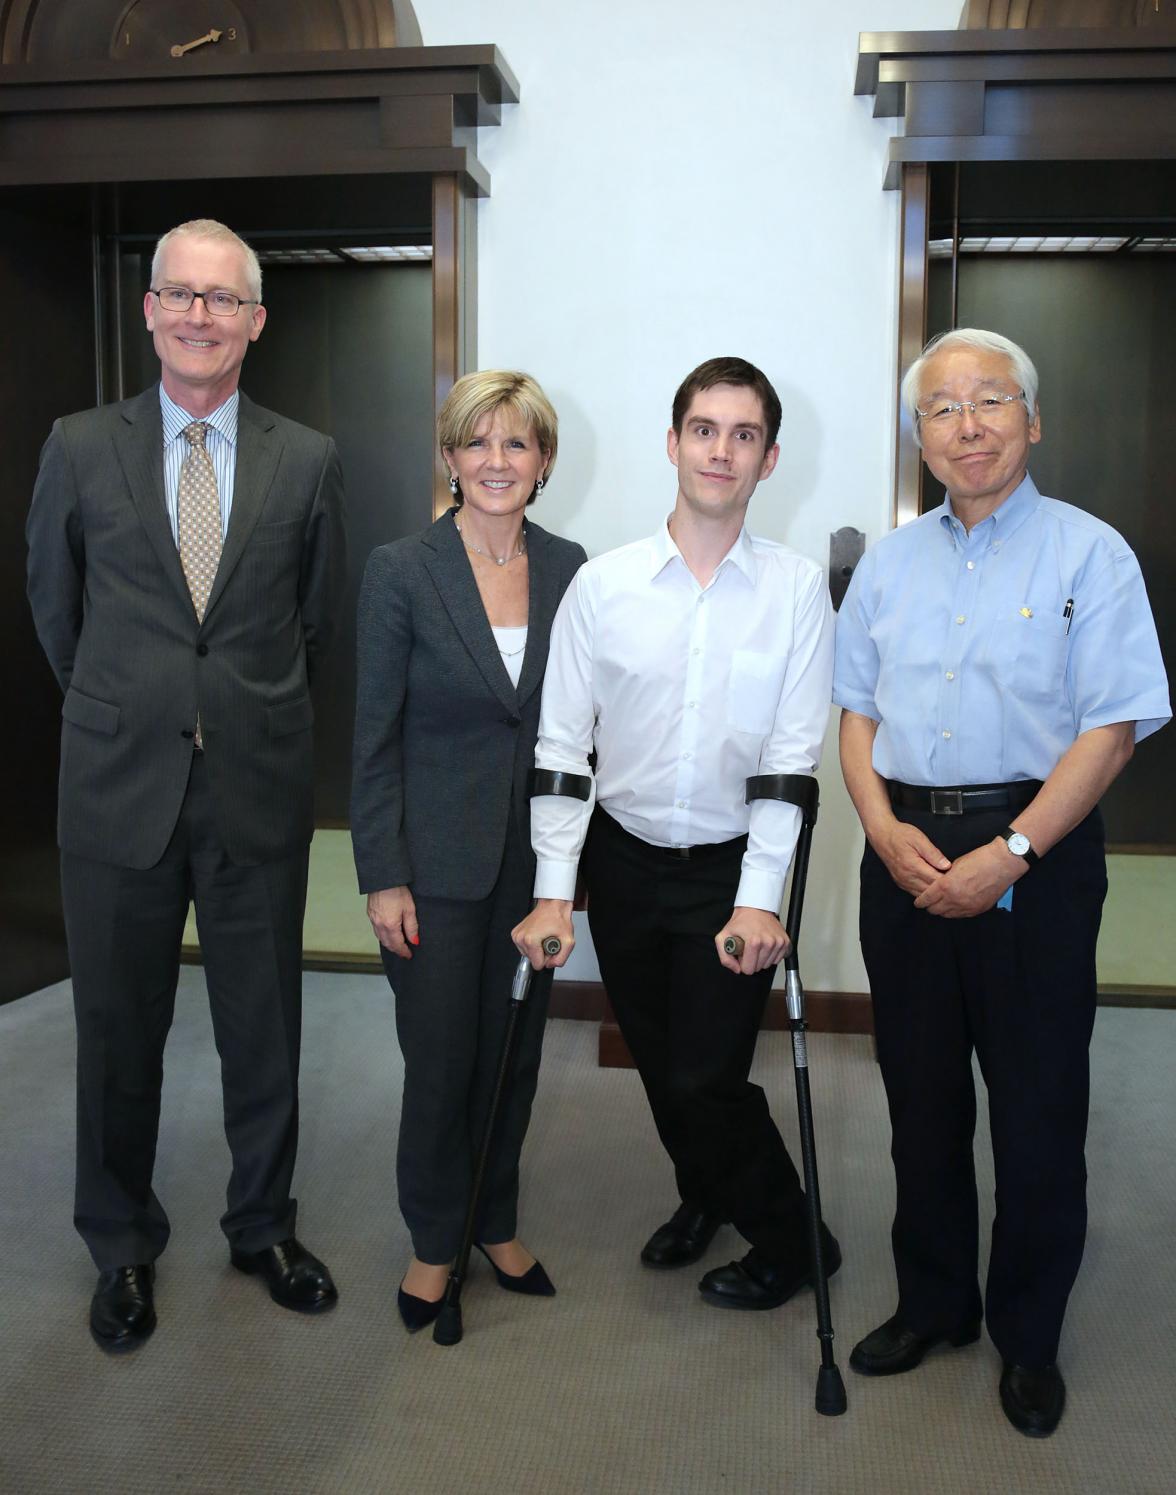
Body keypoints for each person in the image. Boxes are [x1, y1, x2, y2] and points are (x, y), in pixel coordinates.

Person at [834, 328, 1169, 1436]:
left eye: (991, 402)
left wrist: (1012, 852)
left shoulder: (1090, 554)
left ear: (1032, 419)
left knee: (1035, 1111)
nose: (967, 425)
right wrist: (880, 826)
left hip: (1036, 854)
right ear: (917, 435)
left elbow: (1112, 729)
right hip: (905, 857)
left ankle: (1029, 1336)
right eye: (941, 408)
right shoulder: (887, 563)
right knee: (918, 1103)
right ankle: (936, 1302)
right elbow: (855, 713)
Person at [25, 218, 347, 1351]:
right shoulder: (77, 445)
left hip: (254, 786)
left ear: (256, 320)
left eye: (225, 298)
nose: (202, 315)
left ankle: (263, 1224)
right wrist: (138, 708)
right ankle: (120, 1245)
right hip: (117, 789)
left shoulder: (308, 458)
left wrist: (227, 712)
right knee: (118, 1032)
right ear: (152, 310)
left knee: (266, 1028)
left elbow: (310, 622)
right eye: (182, 294)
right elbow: (56, 612)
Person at [514, 357, 838, 1312]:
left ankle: (795, 1235)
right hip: (622, 860)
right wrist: (552, 887)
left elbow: (790, 759)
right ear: (674, 443)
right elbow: (564, 745)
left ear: (769, 459)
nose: (721, 450)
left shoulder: (793, 592)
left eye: (744, 435)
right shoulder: (603, 586)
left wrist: (761, 897)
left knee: (707, 1073)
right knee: (660, 1063)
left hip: (730, 868)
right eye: (705, 429)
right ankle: (705, 1193)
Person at [351, 370, 586, 1333]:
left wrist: (569, 876)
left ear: (543, 462)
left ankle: (495, 1221)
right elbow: (373, 736)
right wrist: (383, 876)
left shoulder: (574, 567)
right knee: (441, 1060)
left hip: (537, 868)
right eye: (477, 443)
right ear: (450, 457)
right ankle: (434, 1237)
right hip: (433, 872)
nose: (497, 461)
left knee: (514, 1055)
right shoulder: (402, 569)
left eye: (517, 444)